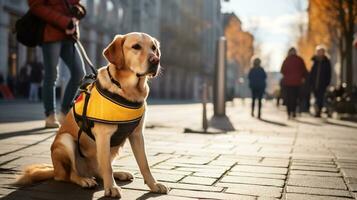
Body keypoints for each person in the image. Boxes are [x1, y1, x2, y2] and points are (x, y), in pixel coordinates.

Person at [28, 0, 86, 128]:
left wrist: (78, 12)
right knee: (52, 74)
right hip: (51, 33)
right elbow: (36, 6)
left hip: (69, 35)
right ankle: (50, 115)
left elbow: (76, 3)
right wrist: (64, 22)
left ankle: (64, 112)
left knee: (79, 73)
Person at [281, 47, 307, 119]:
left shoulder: (286, 60)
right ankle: (294, 112)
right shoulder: (299, 60)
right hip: (297, 83)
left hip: (288, 83)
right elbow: (304, 70)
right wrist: (302, 77)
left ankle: (289, 113)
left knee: (289, 98)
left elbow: (282, 70)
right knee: (295, 98)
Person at [309, 45, 331, 117]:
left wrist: (327, 83)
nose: (319, 53)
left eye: (321, 51)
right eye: (318, 51)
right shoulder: (314, 61)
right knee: (315, 98)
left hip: (322, 84)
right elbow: (311, 72)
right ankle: (316, 110)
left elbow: (329, 73)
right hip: (314, 83)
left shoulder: (326, 61)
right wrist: (310, 82)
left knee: (320, 98)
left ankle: (318, 112)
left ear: (324, 52)